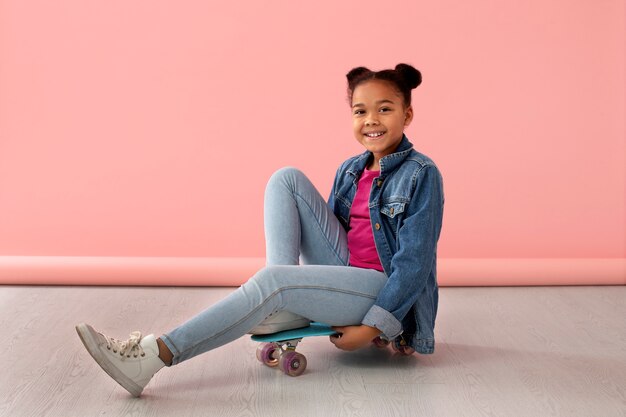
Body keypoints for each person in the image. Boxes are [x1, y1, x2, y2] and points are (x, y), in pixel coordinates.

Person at [75, 63, 445, 397]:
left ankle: (157, 354)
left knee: (275, 283)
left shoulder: (421, 174)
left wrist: (373, 328)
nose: (371, 120)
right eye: (360, 111)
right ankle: (282, 306)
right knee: (286, 178)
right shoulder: (351, 168)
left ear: (407, 114)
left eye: (385, 109)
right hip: (348, 270)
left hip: (380, 288)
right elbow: (332, 230)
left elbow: (414, 264)